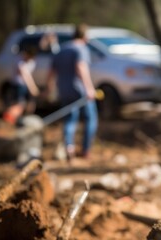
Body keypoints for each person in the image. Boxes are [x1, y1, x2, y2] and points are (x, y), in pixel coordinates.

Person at [46, 23, 98, 161]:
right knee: (90, 118)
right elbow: (81, 67)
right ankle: (86, 150)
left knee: (69, 120)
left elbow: (51, 71)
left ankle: (69, 147)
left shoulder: (62, 49)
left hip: (64, 89)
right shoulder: (81, 49)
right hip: (80, 90)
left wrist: (49, 88)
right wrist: (89, 88)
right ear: (84, 36)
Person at [3, 44, 39, 125]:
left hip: (25, 85)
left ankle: (23, 119)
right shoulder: (20, 61)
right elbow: (25, 75)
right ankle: (11, 119)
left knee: (29, 104)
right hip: (18, 85)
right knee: (19, 104)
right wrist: (32, 88)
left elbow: (29, 75)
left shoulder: (31, 61)